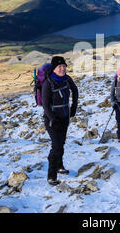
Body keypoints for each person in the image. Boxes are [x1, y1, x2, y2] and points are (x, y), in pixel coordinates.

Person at [42, 56, 78, 186]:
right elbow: (45, 105)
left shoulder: (67, 79)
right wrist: (52, 118)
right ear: (54, 68)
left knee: (61, 143)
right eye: (59, 67)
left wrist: (74, 107)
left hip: (64, 117)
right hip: (52, 119)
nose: (62, 68)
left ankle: (59, 166)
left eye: (64, 66)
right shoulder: (48, 83)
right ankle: (51, 176)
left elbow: (75, 90)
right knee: (56, 145)